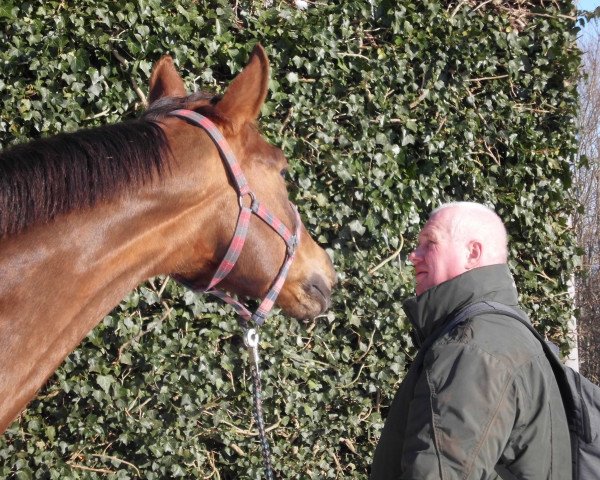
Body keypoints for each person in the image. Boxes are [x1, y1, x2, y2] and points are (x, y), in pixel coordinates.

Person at [370, 202, 572, 480]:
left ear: (472, 252)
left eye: (430, 242)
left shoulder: (473, 349)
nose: (414, 256)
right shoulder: (502, 333)